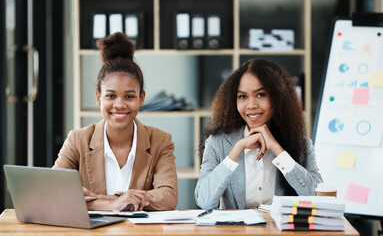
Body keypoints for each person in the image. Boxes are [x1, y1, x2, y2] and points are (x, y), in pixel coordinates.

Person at [53, 32, 178, 211]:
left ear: (141, 98)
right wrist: (113, 203)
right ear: (98, 98)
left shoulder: (160, 141)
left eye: (129, 96)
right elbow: (56, 191)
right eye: (111, 96)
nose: (119, 105)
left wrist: (101, 200)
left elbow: (168, 196)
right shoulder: (77, 140)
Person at [194, 59, 323, 210]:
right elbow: (204, 201)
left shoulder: (302, 145)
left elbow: (318, 198)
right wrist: (238, 149)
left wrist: (277, 149)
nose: (251, 105)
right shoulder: (217, 143)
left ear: (277, 98)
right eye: (242, 96)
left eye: (260, 95)